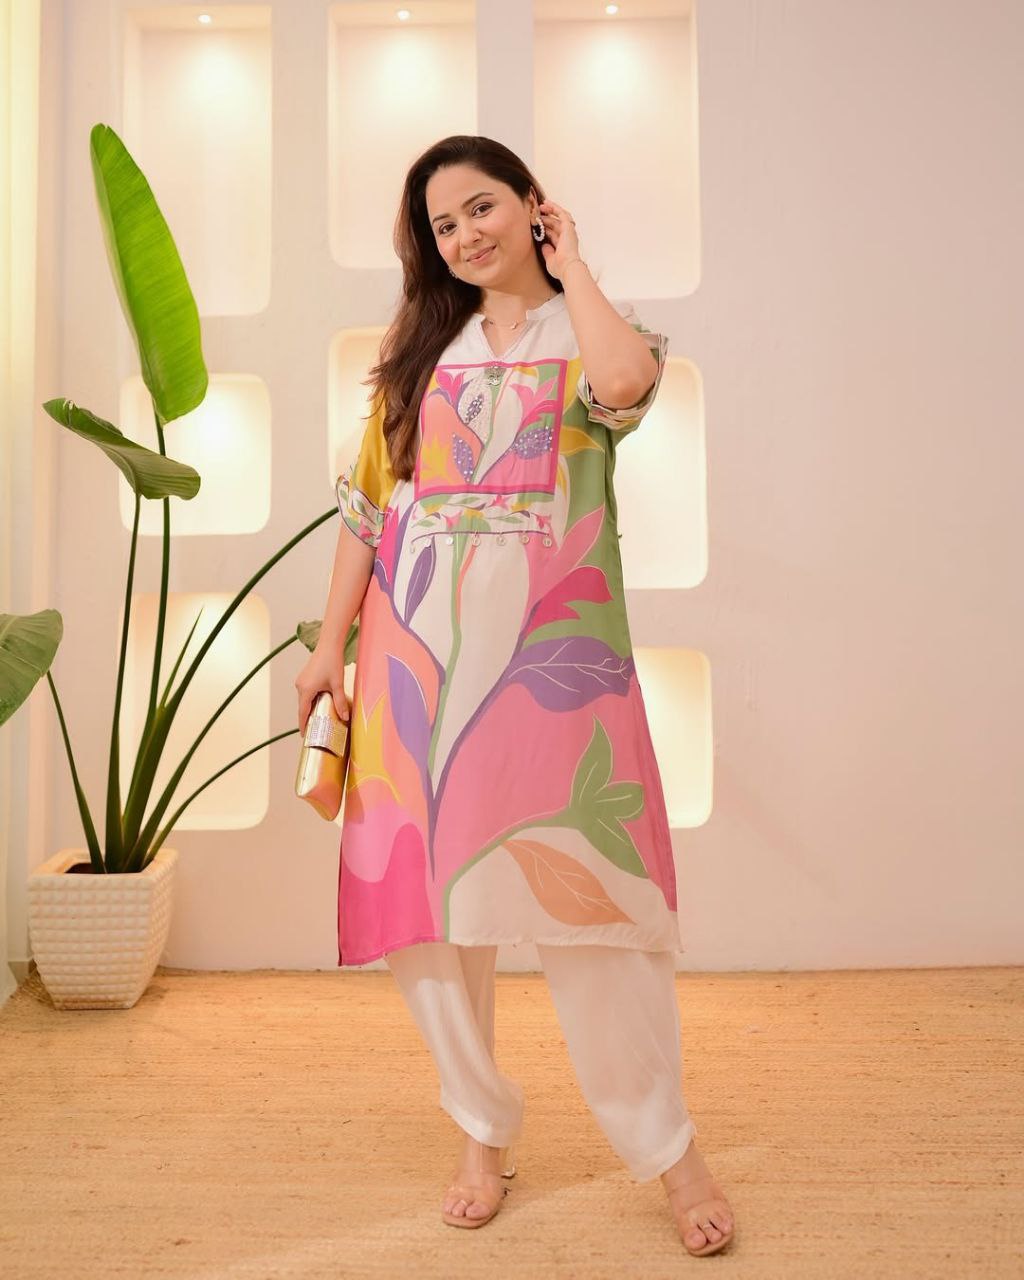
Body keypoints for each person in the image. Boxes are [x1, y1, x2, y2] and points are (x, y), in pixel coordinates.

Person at [295, 135, 736, 1256]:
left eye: (481, 208)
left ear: (531, 205)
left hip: (553, 669)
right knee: (430, 919)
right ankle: (480, 1127)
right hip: (415, 667)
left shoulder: (586, 329)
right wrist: (330, 646)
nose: (464, 236)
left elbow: (626, 388)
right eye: (441, 226)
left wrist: (571, 265)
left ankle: (669, 1148)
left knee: (593, 905)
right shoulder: (420, 352)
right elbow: (367, 510)